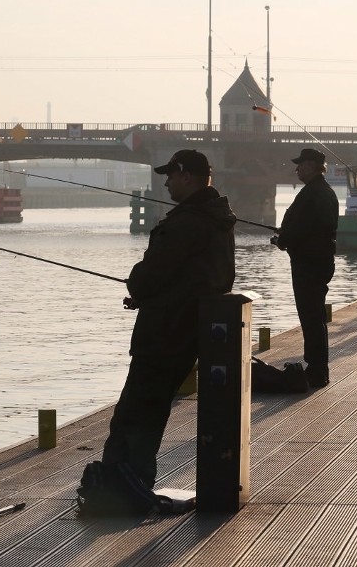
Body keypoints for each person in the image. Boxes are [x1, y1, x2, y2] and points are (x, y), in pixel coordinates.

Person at [101, 149, 236, 489]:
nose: (166, 183)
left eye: (170, 176)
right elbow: (197, 276)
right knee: (153, 408)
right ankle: (135, 482)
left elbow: (151, 274)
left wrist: (141, 287)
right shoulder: (217, 218)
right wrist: (152, 294)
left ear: (186, 177)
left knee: (135, 412)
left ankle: (123, 487)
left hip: (164, 332)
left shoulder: (186, 222)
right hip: (190, 329)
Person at [273, 148, 339, 387]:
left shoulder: (314, 193)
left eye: (300, 165)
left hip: (309, 263)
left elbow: (305, 228)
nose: (297, 169)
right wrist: (286, 237)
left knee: (311, 316)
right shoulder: (320, 192)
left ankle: (317, 370)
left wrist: (284, 239)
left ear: (311, 165)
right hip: (315, 260)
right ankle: (317, 367)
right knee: (314, 316)